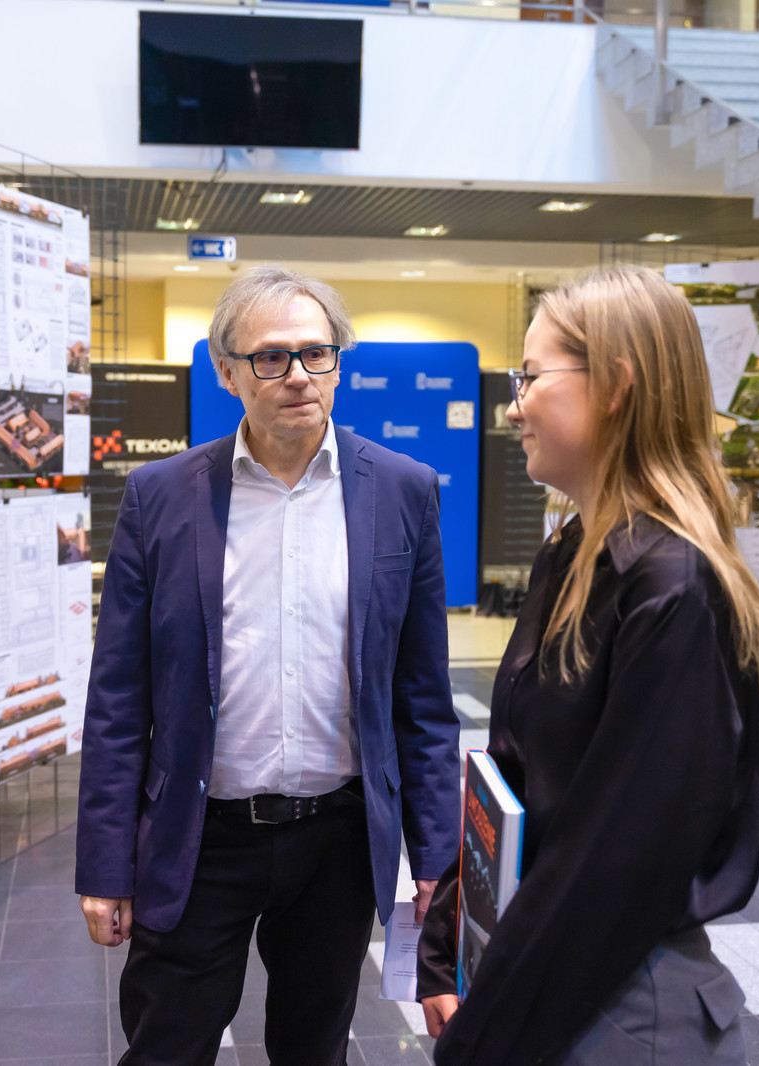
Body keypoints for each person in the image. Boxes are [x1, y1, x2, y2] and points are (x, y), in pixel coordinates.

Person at [76, 264, 461, 1066]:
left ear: (338, 362)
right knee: (167, 1048)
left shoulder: (403, 491)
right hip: (199, 837)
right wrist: (105, 864)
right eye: (271, 357)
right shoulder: (160, 497)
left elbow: (423, 700)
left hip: (338, 842)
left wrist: (437, 858)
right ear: (227, 373)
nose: (298, 375)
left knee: (313, 1050)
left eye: (316, 353)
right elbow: (117, 700)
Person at [416, 266, 759, 1065]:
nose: (513, 406)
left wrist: (484, 1030)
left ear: (616, 385)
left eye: (531, 377)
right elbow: (515, 772)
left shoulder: (673, 586)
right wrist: (448, 936)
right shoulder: (573, 557)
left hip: (615, 1003)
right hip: (547, 976)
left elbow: (612, 862)